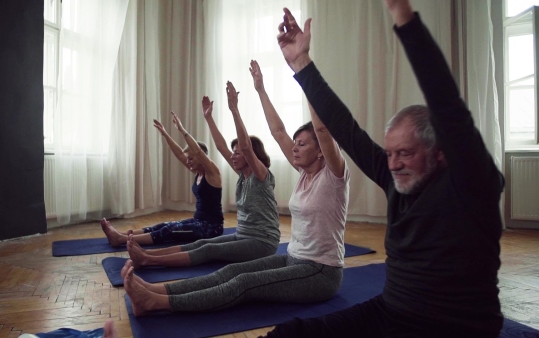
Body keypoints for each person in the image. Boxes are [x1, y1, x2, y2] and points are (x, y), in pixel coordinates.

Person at [263, 1, 504, 337]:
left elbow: (446, 100)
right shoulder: (397, 179)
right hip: (392, 312)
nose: (393, 164)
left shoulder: (472, 185)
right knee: (290, 334)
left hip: (452, 328)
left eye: (405, 153)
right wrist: (301, 63)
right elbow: (346, 128)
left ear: (441, 153)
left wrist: (403, 16)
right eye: (389, 153)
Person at [120, 64, 350, 317]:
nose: (294, 148)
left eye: (302, 144)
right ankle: (158, 290)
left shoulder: (334, 176)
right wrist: (260, 89)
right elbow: (278, 131)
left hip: (320, 272)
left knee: (243, 284)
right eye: (295, 144)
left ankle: (155, 303)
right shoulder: (303, 174)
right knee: (231, 272)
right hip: (293, 258)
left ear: (321, 150)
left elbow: (321, 130)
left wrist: (303, 69)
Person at [125, 92, 280, 268]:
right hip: (243, 235)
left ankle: (148, 260)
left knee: (209, 251)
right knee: (201, 244)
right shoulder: (242, 177)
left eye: (238, 153)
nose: (233, 156)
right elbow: (221, 147)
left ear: (252, 155)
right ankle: (146, 253)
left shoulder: (261, 176)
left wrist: (234, 110)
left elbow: (245, 146)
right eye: (234, 152)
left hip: (262, 242)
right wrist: (208, 118)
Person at [100, 111, 224, 246]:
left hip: (212, 228)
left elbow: (198, 151)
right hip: (198, 221)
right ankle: (122, 234)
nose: (187, 161)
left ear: (200, 157)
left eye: (191, 158)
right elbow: (179, 154)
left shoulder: (212, 173)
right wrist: (165, 134)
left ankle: (120, 240)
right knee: (164, 225)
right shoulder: (197, 172)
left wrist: (182, 130)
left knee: (169, 230)